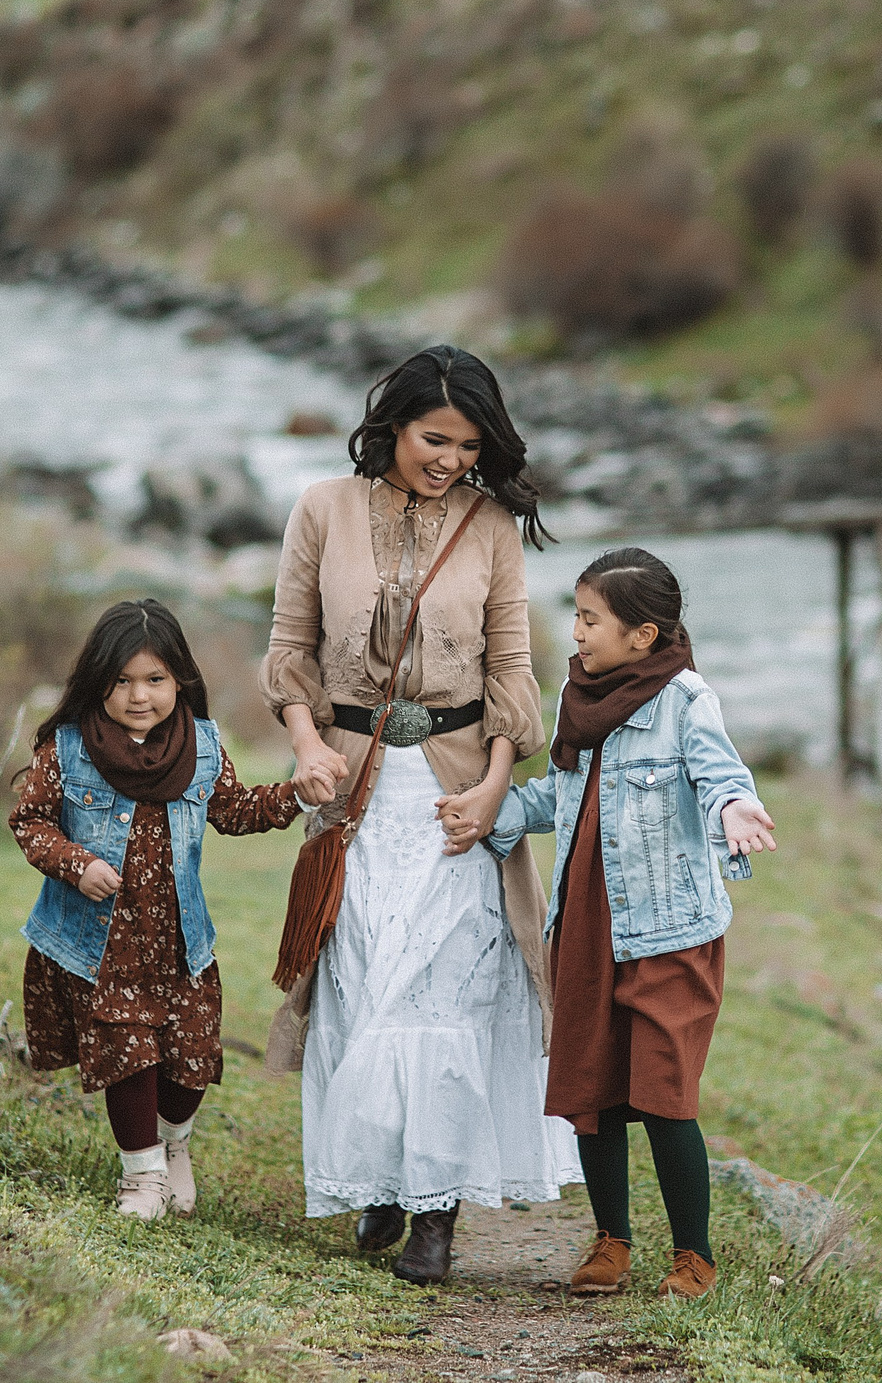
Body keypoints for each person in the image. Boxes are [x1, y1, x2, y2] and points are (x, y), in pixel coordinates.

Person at [261, 344, 578, 1285]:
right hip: (354, 784)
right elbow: (289, 648)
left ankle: (435, 1216)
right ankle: (382, 1184)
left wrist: (492, 788)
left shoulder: (490, 525)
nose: (449, 459)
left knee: (445, 989)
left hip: (453, 787)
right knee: (362, 979)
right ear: (392, 424)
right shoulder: (320, 507)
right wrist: (307, 744)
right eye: (434, 438)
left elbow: (512, 670)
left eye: (469, 444)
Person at [485, 547, 777, 1299]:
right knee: (592, 1089)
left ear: (642, 635)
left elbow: (718, 773)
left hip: (669, 928)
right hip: (583, 923)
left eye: (590, 619)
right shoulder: (576, 694)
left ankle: (694, 1255)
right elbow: (563, 792)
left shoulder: (685, 699)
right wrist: (499, 812)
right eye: (576, 616)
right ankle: (610, 1239)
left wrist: (735, 807)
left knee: (664, 1090)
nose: (576, 631)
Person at [10, 599, 301, 1221]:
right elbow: (29, 820)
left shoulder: (201, 745)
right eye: (121, 681)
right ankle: (141, 1175)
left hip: (178, 939)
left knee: (191, 1059)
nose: (138, 696)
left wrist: (296, 794)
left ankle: (174, 1145)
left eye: (154, 680)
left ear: (179, 681)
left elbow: (235, 810)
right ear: (98, 682)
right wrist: (75, 863)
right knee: (128, 1056)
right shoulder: (69, 749)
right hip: (104, 942)